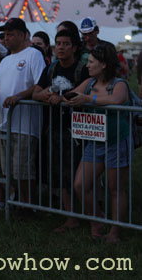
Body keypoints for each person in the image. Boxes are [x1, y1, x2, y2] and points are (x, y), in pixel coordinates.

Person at [0, 18, 45, 208]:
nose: (6, 38)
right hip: (5, 123)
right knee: (6, 170)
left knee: (23, 170)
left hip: (25, 124)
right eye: (5, 34)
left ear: (22, 35)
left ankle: (27, 205)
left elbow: (40, 84)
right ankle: (14, 202)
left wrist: (19, 96)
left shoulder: (33, 55)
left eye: (11, 34)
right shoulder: (5, 61)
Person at [68, 45, 133, 244]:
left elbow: (117, 99)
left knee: (115, 189)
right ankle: (98, 220)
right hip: (95, 142)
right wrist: (51, 94)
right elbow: (70, 95)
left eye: (91, 62)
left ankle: (114, 232)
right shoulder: (88, 82)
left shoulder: (119, 84)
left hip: (116, 142)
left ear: (103, 64)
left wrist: (88, 99)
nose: (87, 65)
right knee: (80, 185)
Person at [33, 29, 89, 232]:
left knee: (82, 176)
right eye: (58, 43)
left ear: (74, 47)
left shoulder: (83, 69)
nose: (61, 47)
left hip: (81, 129)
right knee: (61, 176)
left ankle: (93, 215)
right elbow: (35, 93)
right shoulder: (51, 69)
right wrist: (48, 95)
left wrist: (63, 99)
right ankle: (71, 217)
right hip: (56, 129)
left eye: (66, 44)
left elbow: (90, 90)